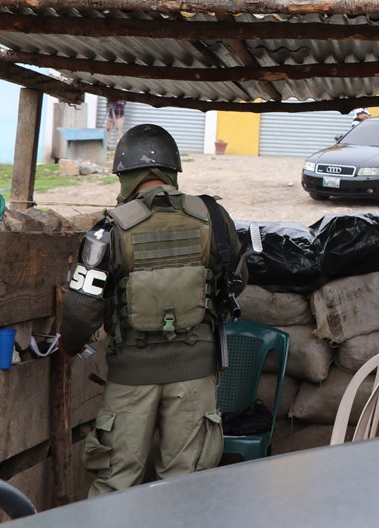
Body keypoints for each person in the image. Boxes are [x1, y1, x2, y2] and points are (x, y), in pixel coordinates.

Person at [60, 124, 247, 496]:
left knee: (117, 481)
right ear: (171, 172)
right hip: (196, 374)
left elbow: (81, 309)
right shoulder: (213, 216)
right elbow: (238, 279)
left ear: (126, 176)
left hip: (131, 377)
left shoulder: (108, 230)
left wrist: (70, 345)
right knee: (185, 486)